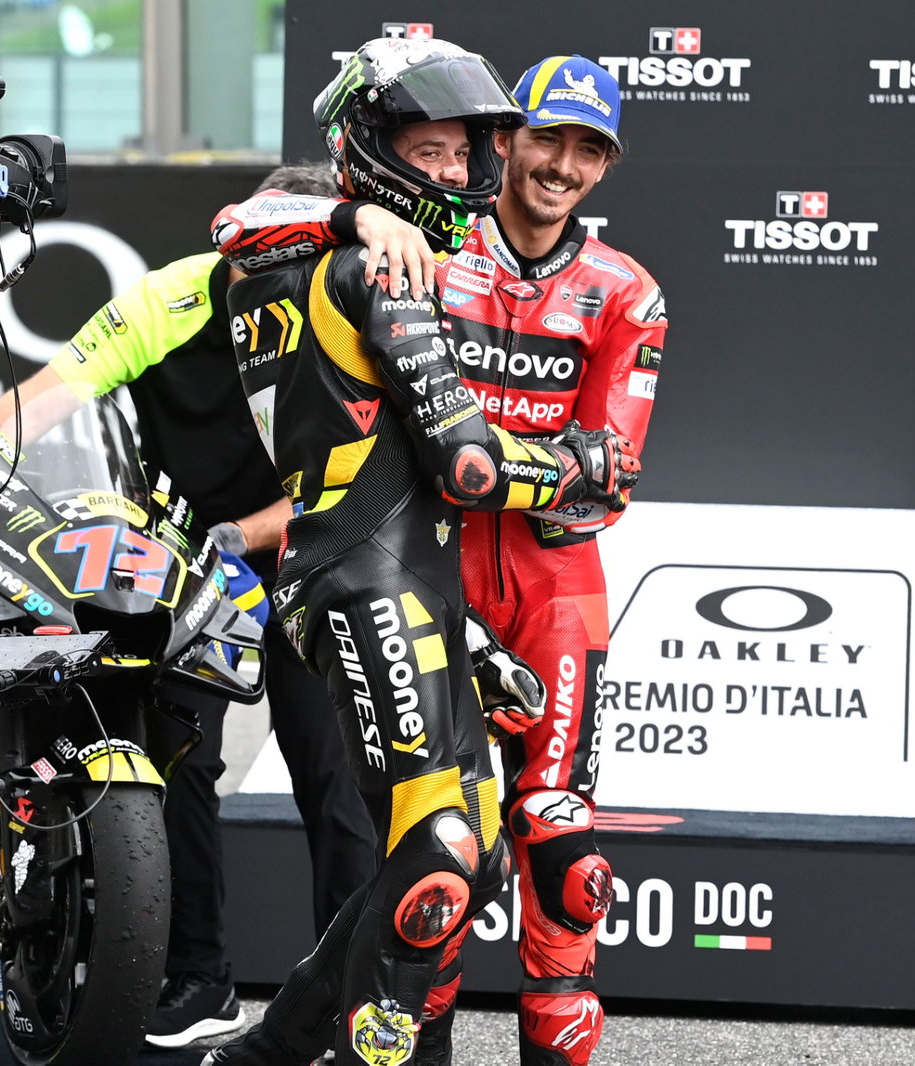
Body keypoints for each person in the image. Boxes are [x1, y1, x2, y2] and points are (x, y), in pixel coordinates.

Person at [212, 52, 667, 1066]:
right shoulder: (416, 243)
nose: (559, 165)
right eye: (545, 137)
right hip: (426, 559)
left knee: (561, 854)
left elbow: (613, 479)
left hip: (550, 581)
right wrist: (350, 219)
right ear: (506, 141)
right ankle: (397, 1049)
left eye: (587, 149)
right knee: (438, 856)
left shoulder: (625, 292)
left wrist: (495, 459)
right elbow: (237, 228)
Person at [0, 164, 380, 1050]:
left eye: (300, 256)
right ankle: (201, 981)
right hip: (189, 557)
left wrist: (251, 530)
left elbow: (355, 483)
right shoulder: (172, 295)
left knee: (333, 774)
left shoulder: (339, 309)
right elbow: (44, 398)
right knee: (172, 761)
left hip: (311, 551)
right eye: (263, 250)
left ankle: (352, 1001)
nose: (277, 269)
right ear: (236, 239)